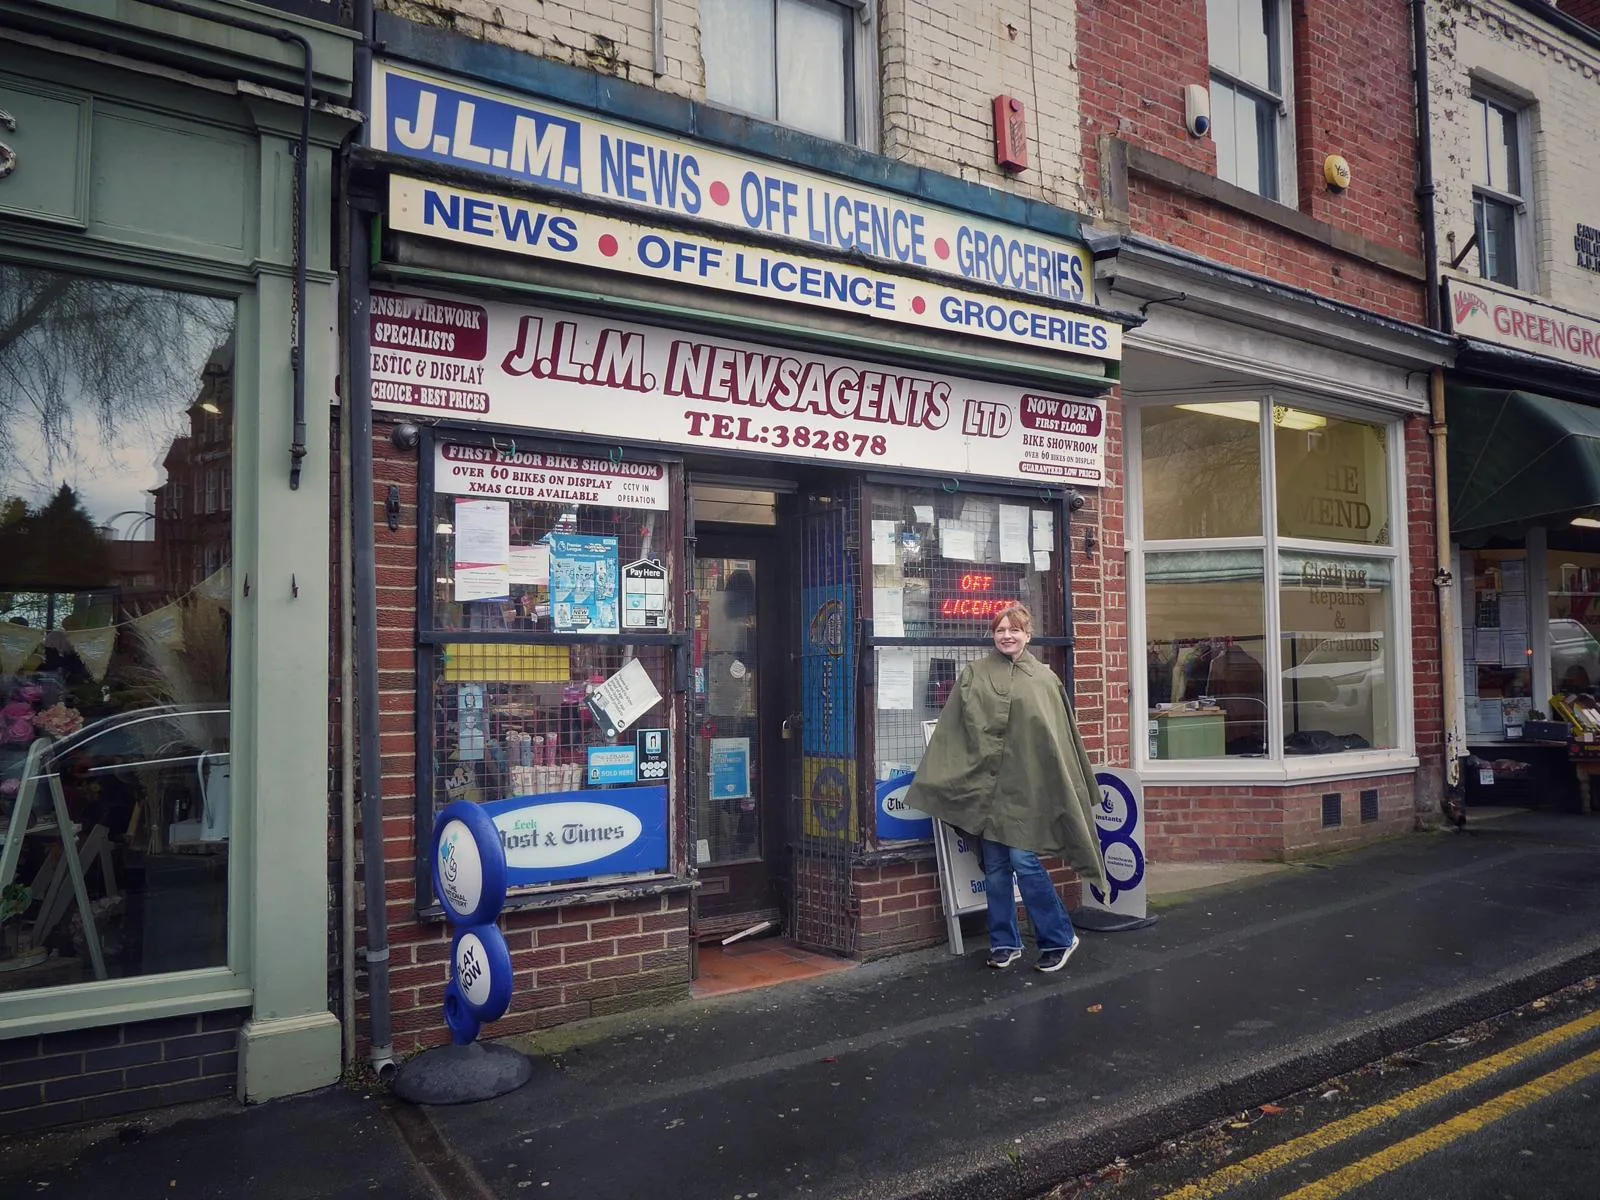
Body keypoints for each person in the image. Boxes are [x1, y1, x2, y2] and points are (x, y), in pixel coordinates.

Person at [906, 603, 1108, 972]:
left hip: (1028, 790)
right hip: (988, 791)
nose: (1007, 636)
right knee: (996, 868)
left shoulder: (1044, 680)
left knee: (1024, 861)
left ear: (1028, 635)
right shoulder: (975, 675)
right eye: (1000, 630)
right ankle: (1004, 942)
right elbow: (954, 732)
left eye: (1014, 629)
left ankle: (1059, 937)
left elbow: (1057, 740)